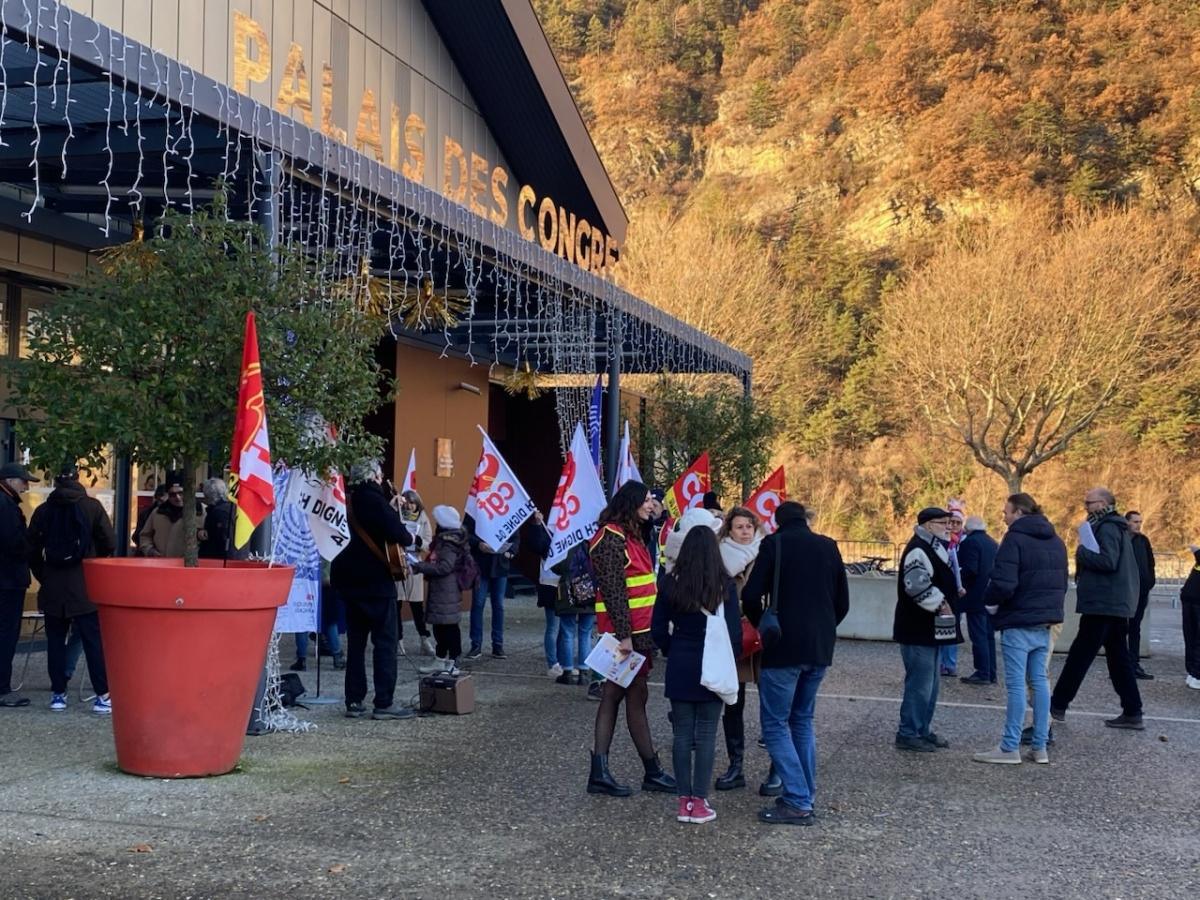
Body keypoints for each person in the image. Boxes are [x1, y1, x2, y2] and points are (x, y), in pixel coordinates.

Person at [742, 501, 849, 826]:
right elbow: (843, 601)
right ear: (805, 520)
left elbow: (749, 595)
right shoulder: (828, 546)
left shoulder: (774, 544)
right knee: (802, 720)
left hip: (783, 645)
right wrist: (824, 628)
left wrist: (764, 624)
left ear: (776, 522)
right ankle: (805, 793)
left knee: (775, 724)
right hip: (819, 646)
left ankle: (798, 800)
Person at [586, 480, 676, 797]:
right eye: (648, 500)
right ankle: (647, 770)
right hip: (627, 637)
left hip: (638, 634)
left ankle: (610, 770)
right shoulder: (610, 538)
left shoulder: (630, 535)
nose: (651, 505)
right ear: (632, 501)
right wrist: (624, 636)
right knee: (628, 697)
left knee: (624, 696)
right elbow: (614, 590)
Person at [651, 525, 741, 825]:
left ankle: (683, 802)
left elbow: (657, 630)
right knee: (706, 736)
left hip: (681, 663)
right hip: (712, 663)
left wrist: (670, 649)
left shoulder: (669, 583)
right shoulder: (723, 584)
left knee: (681, 735)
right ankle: (700, 802)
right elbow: (734, 633)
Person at [972, 493, 1067, 765]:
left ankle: (1009, 746)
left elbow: (1003, 583)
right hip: (1046, 621)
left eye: (1006, 512)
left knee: (1015, 686)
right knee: (1039, 682)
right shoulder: (1057, 541)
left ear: (1018, 512)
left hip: (1018, 620)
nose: (1003, 517)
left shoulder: (1014, 539)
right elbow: (1062, 582)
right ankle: (1040, 746)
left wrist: (989, 603)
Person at [1050, 487, 1144, 730]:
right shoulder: (1115, 526)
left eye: (1089, 502)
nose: (1085, 506)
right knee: (1118, 658)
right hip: (1112, 603)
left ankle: (1057, 705)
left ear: (1102, 503)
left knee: (1080, 655)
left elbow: (1107, 561)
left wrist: (1081, 552)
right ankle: (1132, 711)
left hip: (1104, 604)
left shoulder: (1108, 527)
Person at [26, 467, 116, 714]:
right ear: (78, 480)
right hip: (85, 584)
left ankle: (58, 694)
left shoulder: (44, 510)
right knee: (93, 642)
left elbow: (31, 547)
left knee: (55, 641)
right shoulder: (92, 507)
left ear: (56, 482)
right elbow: (110, 541)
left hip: (53, 584)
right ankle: (102, 695)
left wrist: (43, 575)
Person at [332, 459, 415, 721]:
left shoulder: (345, 500)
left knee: (356, 644)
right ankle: (384, 702)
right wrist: (408, 533)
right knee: (385, 643)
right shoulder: (375, 501)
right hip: (377, 584)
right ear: (376, 475)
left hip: (349, 583)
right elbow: (401, 535)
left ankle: (354, 700)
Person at [892, 507, 963, 752]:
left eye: (950, 522)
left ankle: (922, 729)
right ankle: (909, 732)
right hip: (917, 628)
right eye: (943, 522)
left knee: (931, 684)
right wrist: (942, 604)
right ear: (928, 524)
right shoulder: (918, 550)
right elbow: (916, 586)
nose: (948, 526)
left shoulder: (933, 548)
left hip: (929, 628)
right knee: (920, 684)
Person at [714, 506, 765, 793]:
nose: (745, 532)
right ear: (728, 530)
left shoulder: (765, 551)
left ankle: (777, 769)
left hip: (762, 633)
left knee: (773, 701)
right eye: (739, 527)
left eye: (749, 526)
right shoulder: (719, 555)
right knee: (734, 702)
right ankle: (736, 765)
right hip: (733, 634)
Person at [414, 505, 471, 675]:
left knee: (448, 627)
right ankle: (441, 659)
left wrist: (421, 567)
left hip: (446, 589)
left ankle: (452, 661)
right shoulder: (450, 540)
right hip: (444, 589)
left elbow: (445, 567)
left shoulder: (448, 543)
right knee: (441, 626)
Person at [0, 462, 38, 708]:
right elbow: (13, 542)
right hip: (7, 580)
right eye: (23, 481)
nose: (25, 486)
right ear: (11, 481)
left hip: (6, 578)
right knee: (6, 633)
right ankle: (2, 688)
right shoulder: (6, 506)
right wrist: (31, 546)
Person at [464, 513, 520, 660]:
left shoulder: (507, 511)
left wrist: (510, 553)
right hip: (480, 565)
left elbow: (515, 538)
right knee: (478, 603)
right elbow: (466, 533)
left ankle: (498, 645)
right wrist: (478, 544)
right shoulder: (476, 509)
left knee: (499, 605)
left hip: (500, 565)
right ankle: (476, 645)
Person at [958, 516, 999, 685]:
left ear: (968, 528)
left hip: (975, 597)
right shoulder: (993, 543)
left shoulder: (969, 542)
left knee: (978, 635)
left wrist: (958, 579)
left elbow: (970, 569)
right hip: (990, 595)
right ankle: (991, 672)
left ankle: (982, 671)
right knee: (988, 635)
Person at [397, 490, 435, 657]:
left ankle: (424, 639)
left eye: (412, 503)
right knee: (396, 604)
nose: (409, 506)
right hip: (398, 561)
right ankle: (398, 640)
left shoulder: (423, 517)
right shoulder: (397, 516)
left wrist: (418, 541)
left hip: (415, 564)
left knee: (417, 606)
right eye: (406, 503)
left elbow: (428, 542)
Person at [1125, 510, 1156, 680]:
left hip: (1141, 591)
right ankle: (1120, 664)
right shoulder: (1121, 539)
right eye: (1135, 521)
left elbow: (1151, 562)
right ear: (1127, 522)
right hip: (1124, 591)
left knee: (1135, 628)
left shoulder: (1143, 541)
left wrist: (1150, 581)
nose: (1138, 524)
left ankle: (1133, 664)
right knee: (1120, 629)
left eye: (1140, 521)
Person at [939, 500, 967, 676]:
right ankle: (942, 662)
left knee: (953, 626)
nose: (954, 526)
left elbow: (959, 567)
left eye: (958, 523)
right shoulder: (943, 540)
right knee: (942, 625)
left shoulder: (964, 542)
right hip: (944, 588)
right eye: (952, 522)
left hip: (956, 591)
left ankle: (950, 663)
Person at [137, 481, 189, 558]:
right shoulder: (158, 512)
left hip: (189, 565)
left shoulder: (199, 511)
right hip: (161, 563)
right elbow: (145, 536)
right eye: (173, 495)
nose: (177, 497)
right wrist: (150, 550)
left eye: (181, 493)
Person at [198, 477, 237, 560]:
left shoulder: (217, 513)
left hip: (216, 559)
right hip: (232, 557)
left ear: (208, 496)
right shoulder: (233, 508)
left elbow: (220, 538)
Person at [1181, 546, 1200, 690]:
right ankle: (1195, 674)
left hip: (1191, 595)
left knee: (1193, 637)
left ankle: (1193, 673)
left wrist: (1197, 551)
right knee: (1193, 638)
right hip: (1193, 597)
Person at [130, 483, 167, 553]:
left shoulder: (147, 513)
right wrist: (149, 549)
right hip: (148, 554)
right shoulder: (148, 514)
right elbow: (138, 536)